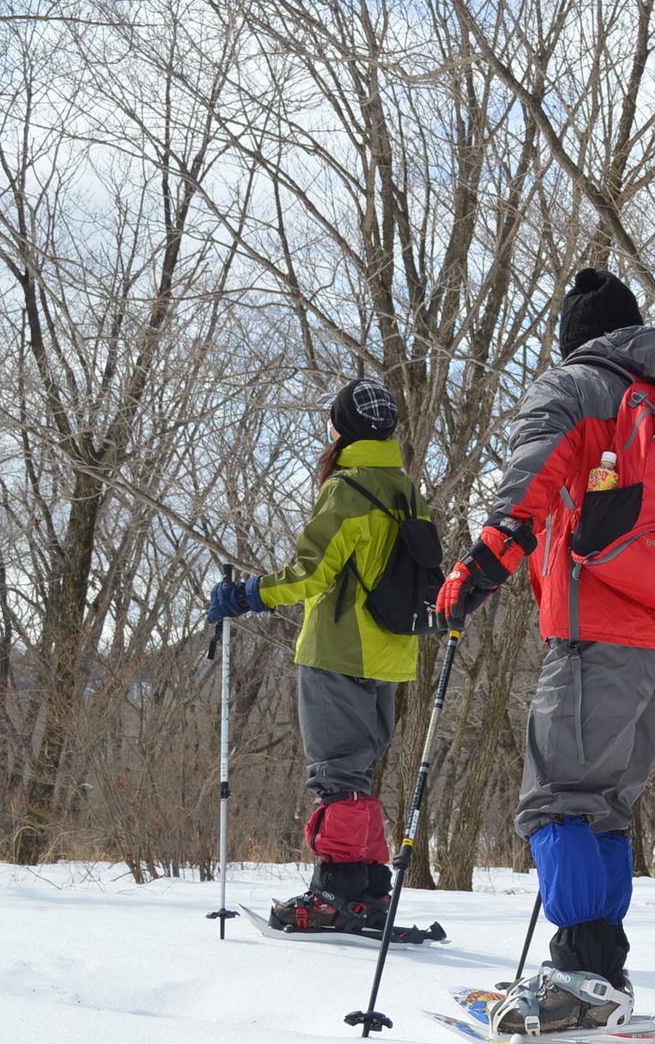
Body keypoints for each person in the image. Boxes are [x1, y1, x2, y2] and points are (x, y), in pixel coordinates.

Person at [438, 269, 655, 1035]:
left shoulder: (575, 387)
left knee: (556, 802)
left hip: (598, 626)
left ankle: (578, 978)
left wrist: (480, 567)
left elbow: (529, 484)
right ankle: (601, 972)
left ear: (575, 335)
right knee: (604, 809)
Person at [203, 379, 421, 934]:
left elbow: (311, 572)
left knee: (336, 775)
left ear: (342, 428)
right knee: (358, 776)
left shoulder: (348, 489)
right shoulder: (404, 488)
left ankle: (336, 894)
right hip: (391, 655)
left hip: (340, 649)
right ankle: (368, 888)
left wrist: (249, 595)